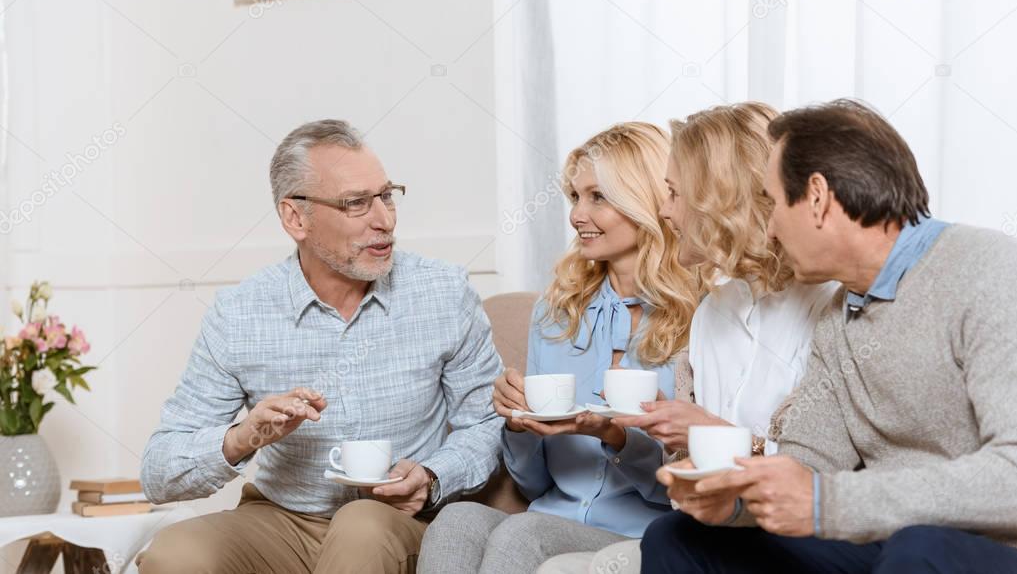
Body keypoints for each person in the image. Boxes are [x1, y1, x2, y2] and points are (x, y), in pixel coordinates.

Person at [644, 99, 1017, 573]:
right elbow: (808, 461)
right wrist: (735, 501)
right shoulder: (841, 314)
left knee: (921, 548)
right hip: (886, 541)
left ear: (817, 198)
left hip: (995, 550)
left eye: (775, 202)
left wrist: (830, 503)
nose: (772, 228)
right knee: (678, 537)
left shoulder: (990, 271)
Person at [136, 119, 504, 574]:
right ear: (296, 218)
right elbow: (158, 471)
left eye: (386, 195)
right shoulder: (240, 312)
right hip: (282, 520)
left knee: (360, 527)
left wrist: (433, 476)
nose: (384, 220)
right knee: (175, 554)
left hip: (400, 519)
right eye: (356, 203)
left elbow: (486, 424)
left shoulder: (444, 292)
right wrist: (244, 436)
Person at [541, 102, 837, 574]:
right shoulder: (713, 313)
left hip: (800, 541)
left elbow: (833, 476)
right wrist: (661, 432)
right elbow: (681, 482)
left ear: (720, 199)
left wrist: (713, 434)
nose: (663, 210)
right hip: (715, 533)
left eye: (674, 193)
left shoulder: (830, 308)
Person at [417, 122, 698, 574]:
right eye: (575, 197)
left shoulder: (699, 316)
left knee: (522, 533)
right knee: (456, 520)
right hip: (551, 515)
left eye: (597, 197)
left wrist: (615, 436)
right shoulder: (557, 313)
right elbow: (533, 484)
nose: (576, 216)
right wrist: (519, 424)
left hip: (644, 531)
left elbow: (686, 484)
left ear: (643, 199)